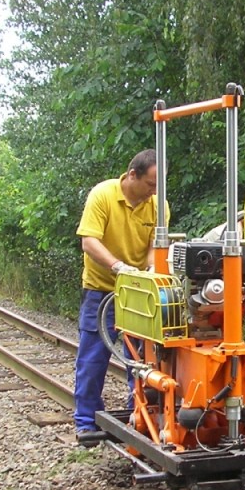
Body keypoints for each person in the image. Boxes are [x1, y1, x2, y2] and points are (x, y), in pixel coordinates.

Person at [73, 149, 166, 440]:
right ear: (132, 175)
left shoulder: (158, 205)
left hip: (138, 291)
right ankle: (86, 422)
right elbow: (89, 241)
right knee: (93, 356)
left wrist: (150, 266)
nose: (154, 191)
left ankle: (137, 416)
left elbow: (155, 244)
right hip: (102, 290)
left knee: (141, 358)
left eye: (159, 185)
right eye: (151, 184)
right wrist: (118, 267)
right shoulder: (102, 195)